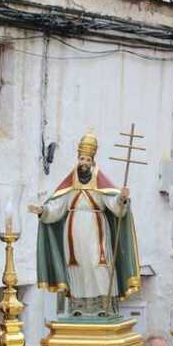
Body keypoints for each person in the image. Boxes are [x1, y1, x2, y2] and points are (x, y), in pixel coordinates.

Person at [32, 131, 139, 316]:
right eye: (81, 158)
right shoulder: (70, 184)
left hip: (95, 230)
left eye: (87, 160)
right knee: (77, 266)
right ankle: (79, 307)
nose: (84, 163)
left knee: (98, 265)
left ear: (92, 162)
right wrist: (43, 211)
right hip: (72, 232)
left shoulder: (99, 182)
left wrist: (121, 199)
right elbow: (57, 207)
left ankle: (104, 307)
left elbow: (114, 206)